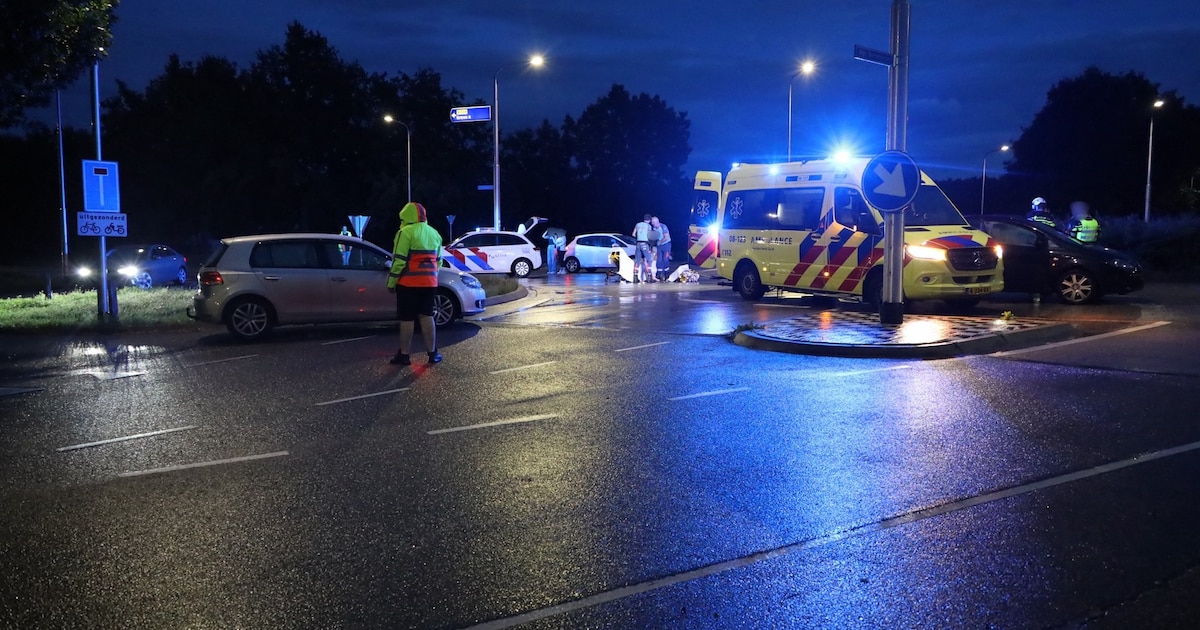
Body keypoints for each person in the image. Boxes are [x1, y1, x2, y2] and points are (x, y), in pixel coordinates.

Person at [386, 202, 443, 366]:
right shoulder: (434, 233)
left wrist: (391, 282)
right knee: (427, 316)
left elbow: (399, 261)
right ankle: (433, 353)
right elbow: (439, 261)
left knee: (407, 319)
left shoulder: (404, 233)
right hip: (430, 283)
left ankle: (404, 355)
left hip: (408, 283)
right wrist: (430, 276)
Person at [631, 213, 655, 282]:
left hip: (638, 244)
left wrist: (639, 237)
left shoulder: (637, 224)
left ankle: (635, 277)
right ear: (649, 220)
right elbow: (650, 236)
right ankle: (649, 277)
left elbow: (633, 234)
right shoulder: (648, 226)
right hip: (645, 243)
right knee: (648, 259)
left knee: (637, 260)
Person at [651, 216, 671, 281]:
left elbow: (666, 237)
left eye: (653, 223)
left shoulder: (663, 227)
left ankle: (666, 274)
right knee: (659, 260)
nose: (652, 224)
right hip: (659, 246)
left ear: (657, 222)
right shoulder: (654, 228)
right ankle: (659, 274)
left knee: (665, 259)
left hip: (666, 245)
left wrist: (660, 241)